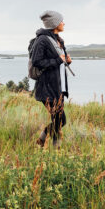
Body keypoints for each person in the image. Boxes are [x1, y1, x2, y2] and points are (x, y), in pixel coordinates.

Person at [31, 10, 72, 148]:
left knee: (58, 119)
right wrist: (57, 60)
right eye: (61, 21)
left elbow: (60, 61)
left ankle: (44, 141)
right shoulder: (42, 40)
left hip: (58, 87)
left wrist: (67, 61)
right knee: (60, 119)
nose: (63, 23)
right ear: (54, 23)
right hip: (47, 87)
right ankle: (54, 147)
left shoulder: (59, 40)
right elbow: (37, 61)